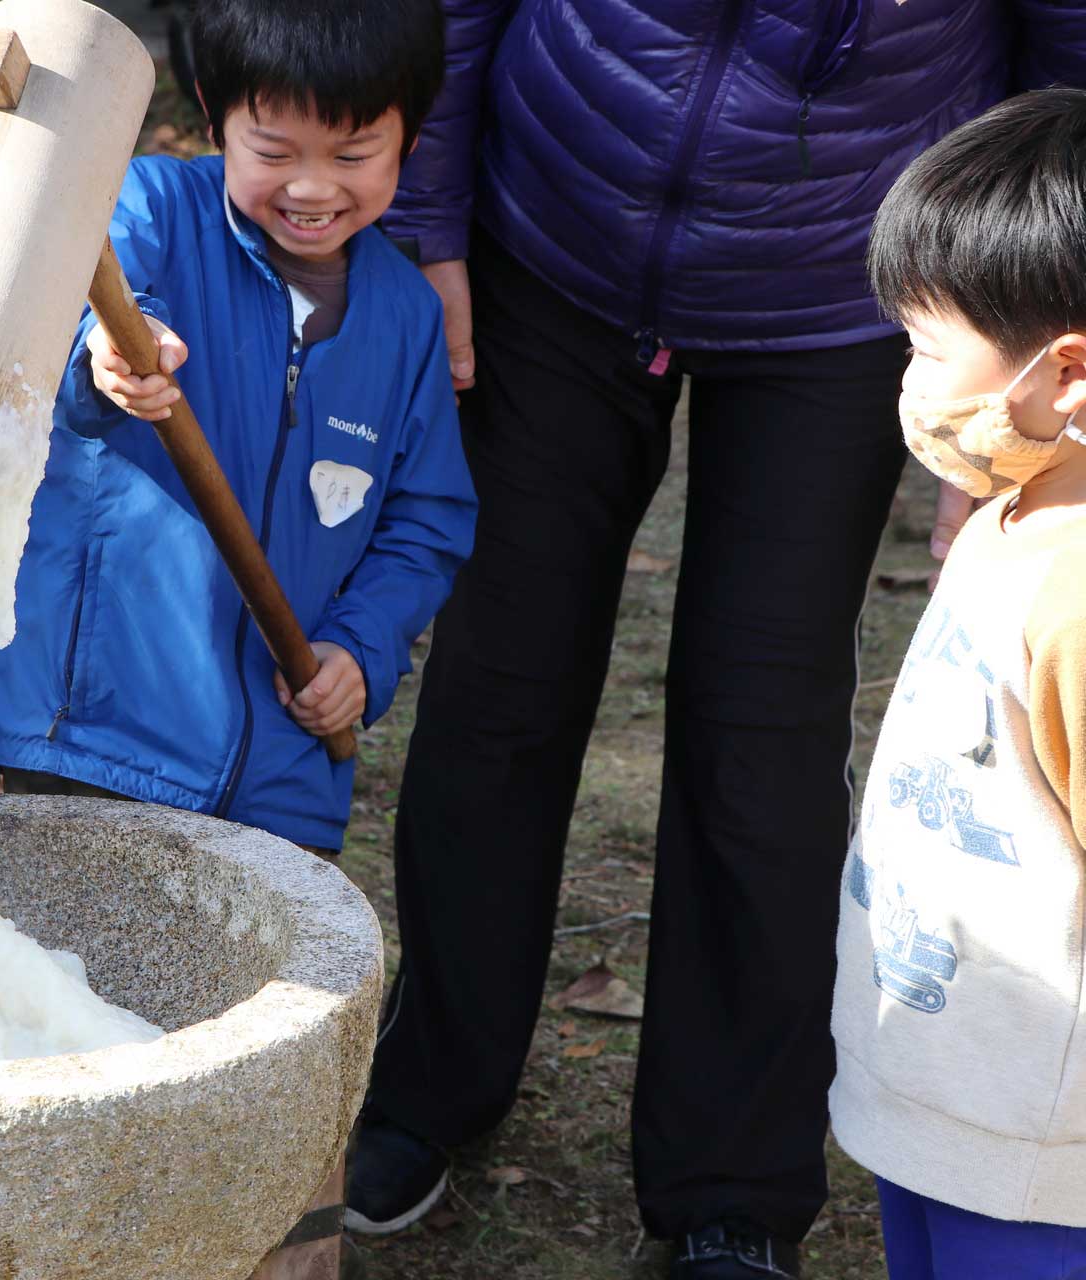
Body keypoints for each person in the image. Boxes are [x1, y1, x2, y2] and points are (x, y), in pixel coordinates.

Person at [347, 1, 1086, 1274]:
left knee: (764, 726)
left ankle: (729, 1189)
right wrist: (426, 209)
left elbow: (1066, 50)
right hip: (556, 231)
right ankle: (430, 1083)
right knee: (496, 680)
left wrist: (1016, 364)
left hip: (844, 290)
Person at [0, 0, 476, 858]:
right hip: (94, 740)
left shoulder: (409, 317)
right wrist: (114, 355)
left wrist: (360, 651)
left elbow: (426, 523)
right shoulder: (150, 207)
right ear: (215, 114)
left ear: (412, 139)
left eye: (353, 155)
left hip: (280, 779)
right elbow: (77, 321)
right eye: (274, 152)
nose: (312, 188)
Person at [831, 87, 1086, 1280]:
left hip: (1043, 1152)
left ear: (1065, 371)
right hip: (946, 1090)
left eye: (930, 347)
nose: (913, 378)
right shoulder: (1011, 509)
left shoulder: (1077, 595)